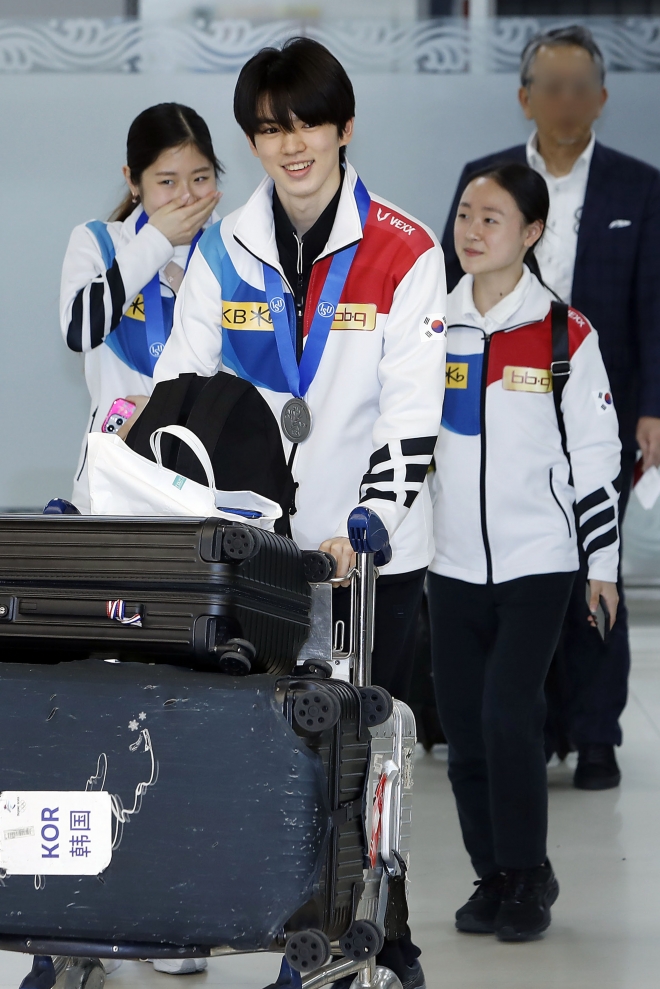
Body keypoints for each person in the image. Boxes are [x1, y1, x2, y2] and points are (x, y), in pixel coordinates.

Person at [153, 37, 447, 989]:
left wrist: (364, 523)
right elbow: (180, 391)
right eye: (271, 129)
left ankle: (387, 941)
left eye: (308, 123)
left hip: (369, 554)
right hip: (264, 554)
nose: (291, 145)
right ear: (252, 140)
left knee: (368, 756)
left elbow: (415, 412)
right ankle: (302, 931)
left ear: (343, 127)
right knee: (273, 747)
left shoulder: (405, 249)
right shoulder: (224, 249)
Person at [440, 25, 660, 790]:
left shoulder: (641, 185)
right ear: (523, 95)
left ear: (601, 97)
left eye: (581, 86)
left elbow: (656, 306)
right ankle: (526, 727)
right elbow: (450, 290)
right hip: (503, 405)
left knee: (597, 558)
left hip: (605, 402)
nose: (566, 100)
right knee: (519, 571)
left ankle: (595, 733)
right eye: (551, 85)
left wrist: (654, 407)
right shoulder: (484, 179)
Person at [428, 162, 621, 941]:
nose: (471, 231)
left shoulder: (563, 334)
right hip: (451, 564)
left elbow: (597, 454)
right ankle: (495, 874)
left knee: (511, 715)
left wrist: (601, 567)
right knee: (466, 728)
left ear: (532, 233)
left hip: (539, 558)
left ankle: (530, 872)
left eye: (491, 218)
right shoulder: (430, 327)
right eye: (465, 214)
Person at [60, 102, 222, 513]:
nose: (186, 196)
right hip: (110, 484)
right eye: (167, 181)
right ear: (133, 180)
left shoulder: (232, 247)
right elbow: (80, 330)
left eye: (200, 178)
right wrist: (156, 241)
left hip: (205, 482)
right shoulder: (98, 242)